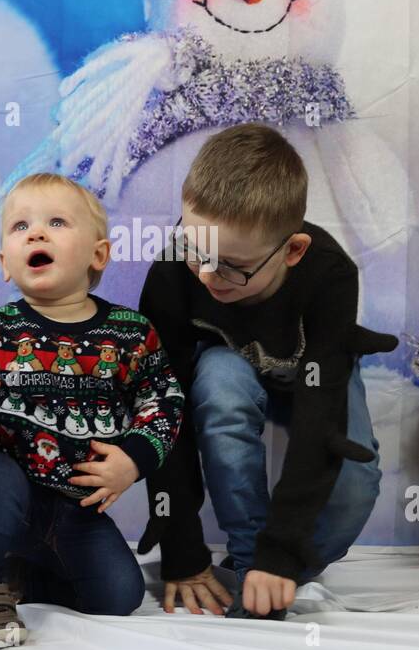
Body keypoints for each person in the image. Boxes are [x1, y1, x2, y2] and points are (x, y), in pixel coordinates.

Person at [137, 123, 396, 619]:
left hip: (315, 374)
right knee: (217, 380)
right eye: (195, 249)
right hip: (229, 369)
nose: (208, 274)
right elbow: (160, 408)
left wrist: (282, 555)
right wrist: (183, 550)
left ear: (292, 250)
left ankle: (270, 568)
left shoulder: (330, 273)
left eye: (233, 266)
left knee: (356, 482)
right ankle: (250, 558)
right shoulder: (173, 270)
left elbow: (320, 417)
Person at [0, 173, 183, 644]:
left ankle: (26, 574)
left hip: (74, 507)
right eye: (21, 227)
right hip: (4, 493)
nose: (36, 233)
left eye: (56, 222)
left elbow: (162, 401)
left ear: (98, 254)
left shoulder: (129, 334)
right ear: (4, 263)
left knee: (121, 595)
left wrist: (133, 460)